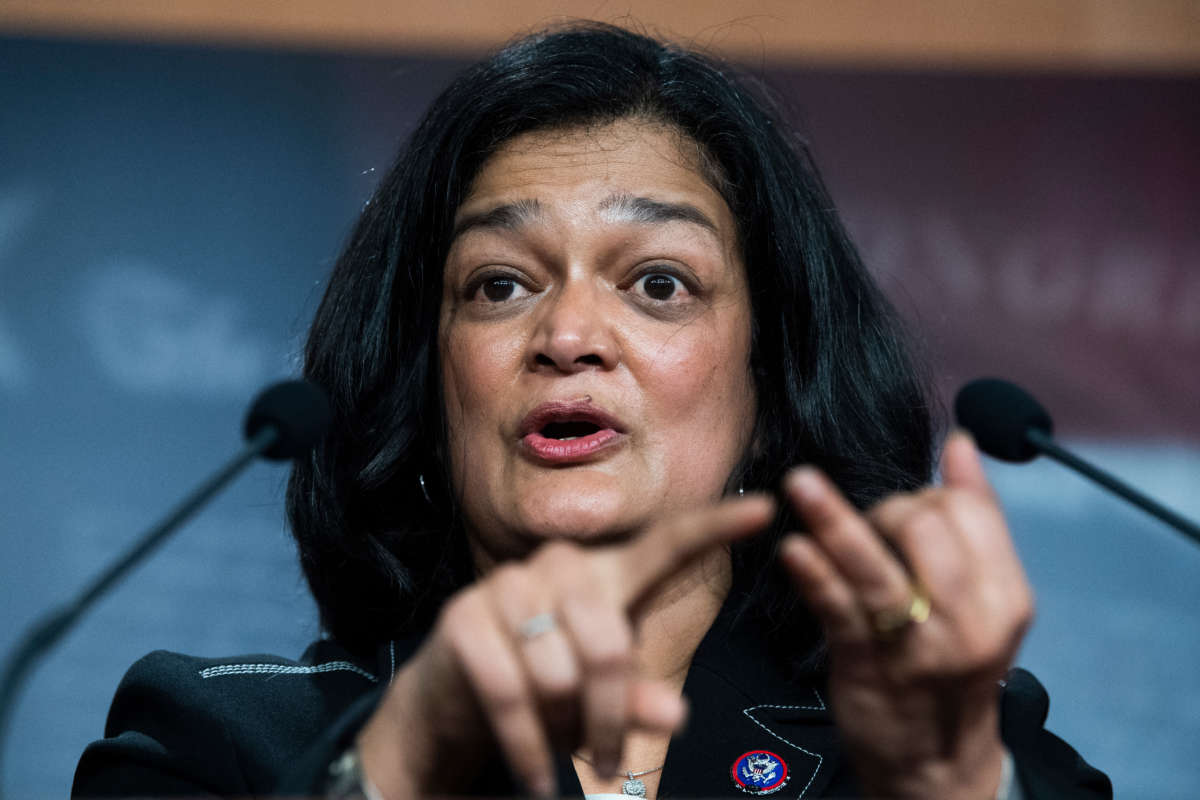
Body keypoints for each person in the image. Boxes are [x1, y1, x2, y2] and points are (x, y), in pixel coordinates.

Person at [74, 23, 1110, 799]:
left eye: (658, 282)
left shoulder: (961, 745)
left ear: (772, 378)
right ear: (426, 386)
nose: (568, 333)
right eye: (499, 284)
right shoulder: (211, 741)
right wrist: (391, 770)